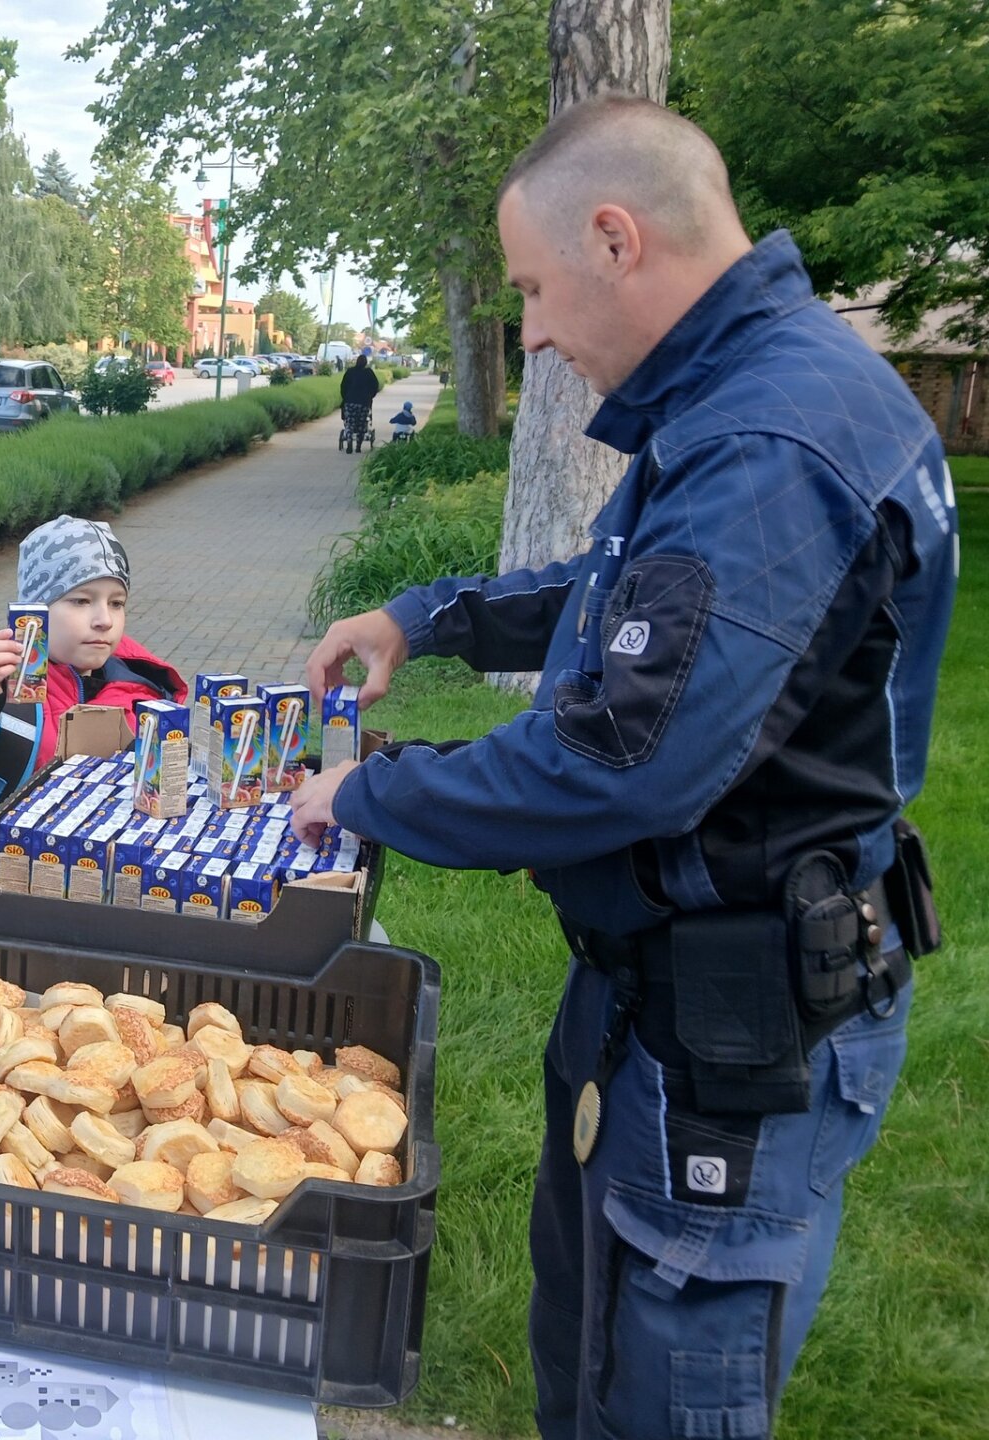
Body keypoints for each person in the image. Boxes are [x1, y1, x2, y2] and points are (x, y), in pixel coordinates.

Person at [291, 96, 951, 1440]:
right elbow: (622, 604)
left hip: (734, 1030)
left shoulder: (772, 441)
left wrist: (368, 792)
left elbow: (621, 762)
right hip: (667, 999)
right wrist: (428, 616)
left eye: (534, 288)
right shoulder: (743, 396)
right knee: (588, 1361)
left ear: (615, 239)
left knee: (656, 1392)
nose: (531, 331)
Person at [0, 514, 185, 849]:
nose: (104, 620)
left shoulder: (147, 693)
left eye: (116, 603)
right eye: (81, 600)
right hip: (0, 871)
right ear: (35, 611)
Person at [339, 351, 381, 416]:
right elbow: (375, 386)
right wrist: (369, 396)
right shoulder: (369, 373)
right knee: (363, 421)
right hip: (364, 403)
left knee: (350, 421)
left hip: (350, 402)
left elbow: (343, 386)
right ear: (366, 363)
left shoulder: (350, 372)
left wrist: (346, 397)